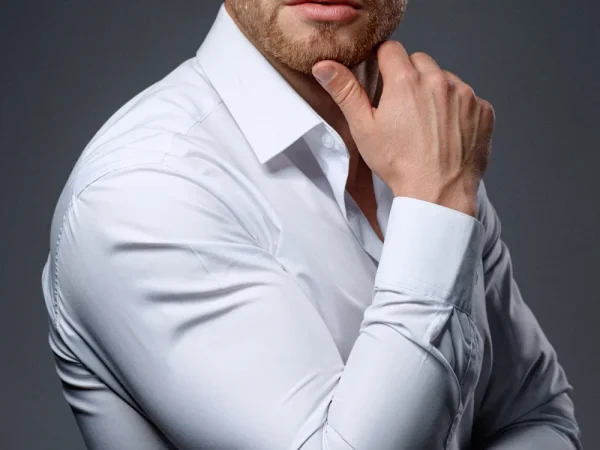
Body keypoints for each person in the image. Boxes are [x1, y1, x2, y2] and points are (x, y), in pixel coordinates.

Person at [41, 1, 581, 448]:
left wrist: (437, 191)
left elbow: (538, 418)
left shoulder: (428, 142)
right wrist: (436, 200)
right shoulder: (144, 187)